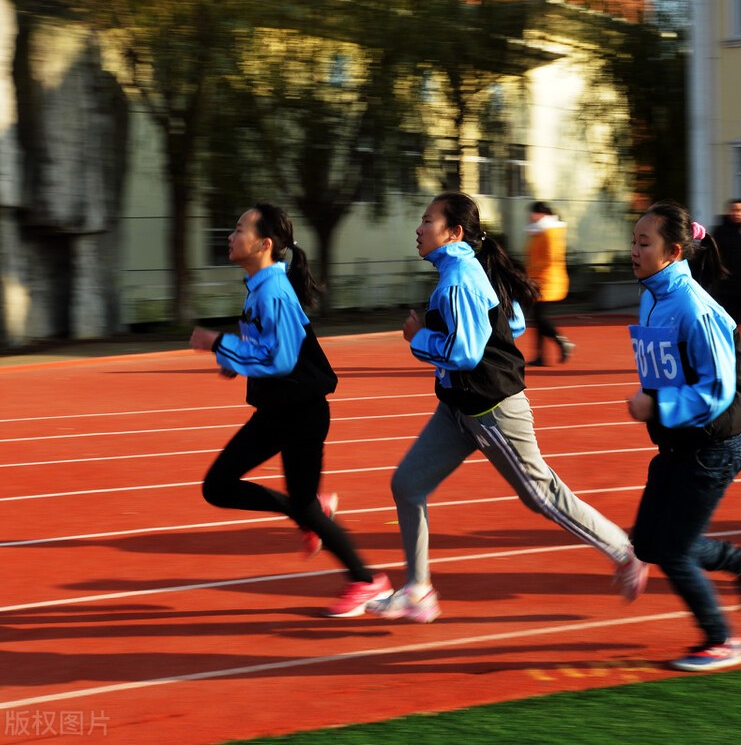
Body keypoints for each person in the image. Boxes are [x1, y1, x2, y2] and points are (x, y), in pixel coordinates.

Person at [367, 191, 647, 623]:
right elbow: (513, 320)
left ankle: (624, 552)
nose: (418, 229)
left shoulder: (460, 277)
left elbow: (464, 354)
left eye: (427, 221)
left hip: (492, 411)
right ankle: (418, 591)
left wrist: (417, 337)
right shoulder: (464, 270)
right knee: (407, 484)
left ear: (454, 232)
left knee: (542, 495)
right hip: (459, 410)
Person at [189, 202, 392, 618]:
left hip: (300, 413)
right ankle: (313, 513)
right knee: (220, 487)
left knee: (298, 505)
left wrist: (218, 344)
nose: (230, 236)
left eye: (239, 229)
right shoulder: (261, 286)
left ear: (264, 244)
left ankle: (367, 580)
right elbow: (265, 349)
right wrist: (233, 360)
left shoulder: (274, 291)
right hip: (278, 410)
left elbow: (280, 360)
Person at [626, 201, 741, 673]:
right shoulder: (653, 295)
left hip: (711, 449)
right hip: (675, 444)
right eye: (634, 240)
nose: (634, 250)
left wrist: (659, 405)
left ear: (671, 251)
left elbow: (718, 391)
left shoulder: (696, 308)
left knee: (674, 551)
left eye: (644, 243)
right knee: (648, 542)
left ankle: (724, 639)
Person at [524, 200, 575, 366]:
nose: (531, 217)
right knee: (538, 318)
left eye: (534, 213)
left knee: (540, 317)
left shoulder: (549, 232)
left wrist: (533, 273)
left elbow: (551, 258)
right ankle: (540, 356)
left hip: (548, 281)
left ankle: (561, 341)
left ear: (541, 214)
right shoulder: (539, 231)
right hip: (539, 280)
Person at [711, 200, 741, 329]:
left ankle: (734, 349)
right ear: (730, 212)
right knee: (721, 323)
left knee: (737, 324)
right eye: (737, 210)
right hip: (722, 287)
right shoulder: (719, 232)